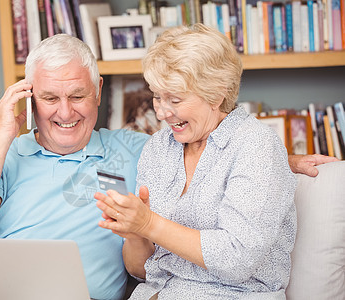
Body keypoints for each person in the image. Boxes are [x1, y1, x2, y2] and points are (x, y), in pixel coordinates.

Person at [0, 33, 335, 300]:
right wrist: (3, 135)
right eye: (49, 98)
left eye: (77, 95)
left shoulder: (134, 147)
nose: (64, 112)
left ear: (98, 91)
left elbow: (227, 153)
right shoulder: (2, 153)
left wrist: (285, 160)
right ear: (30, 98)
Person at [95, 24, 334, 299]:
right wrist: (134, 231)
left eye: (174, 99)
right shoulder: (158, 148)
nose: (161, 112)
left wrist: (149, 223)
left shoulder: (255, 145)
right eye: (157, 97)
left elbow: (237, 259)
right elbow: (142, 271)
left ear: (216, 94)